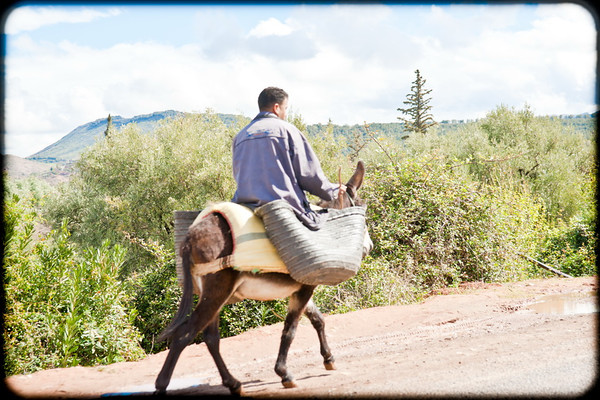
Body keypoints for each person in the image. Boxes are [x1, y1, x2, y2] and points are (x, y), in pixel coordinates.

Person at [231, 87, 341, 230]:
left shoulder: (240, 136)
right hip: (283, 206)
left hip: (243, 205)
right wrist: (333, 191)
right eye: (285, 108)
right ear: (277, 107)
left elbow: (237, 174)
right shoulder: (287, 130)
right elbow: (309, 175)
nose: (285, 114)